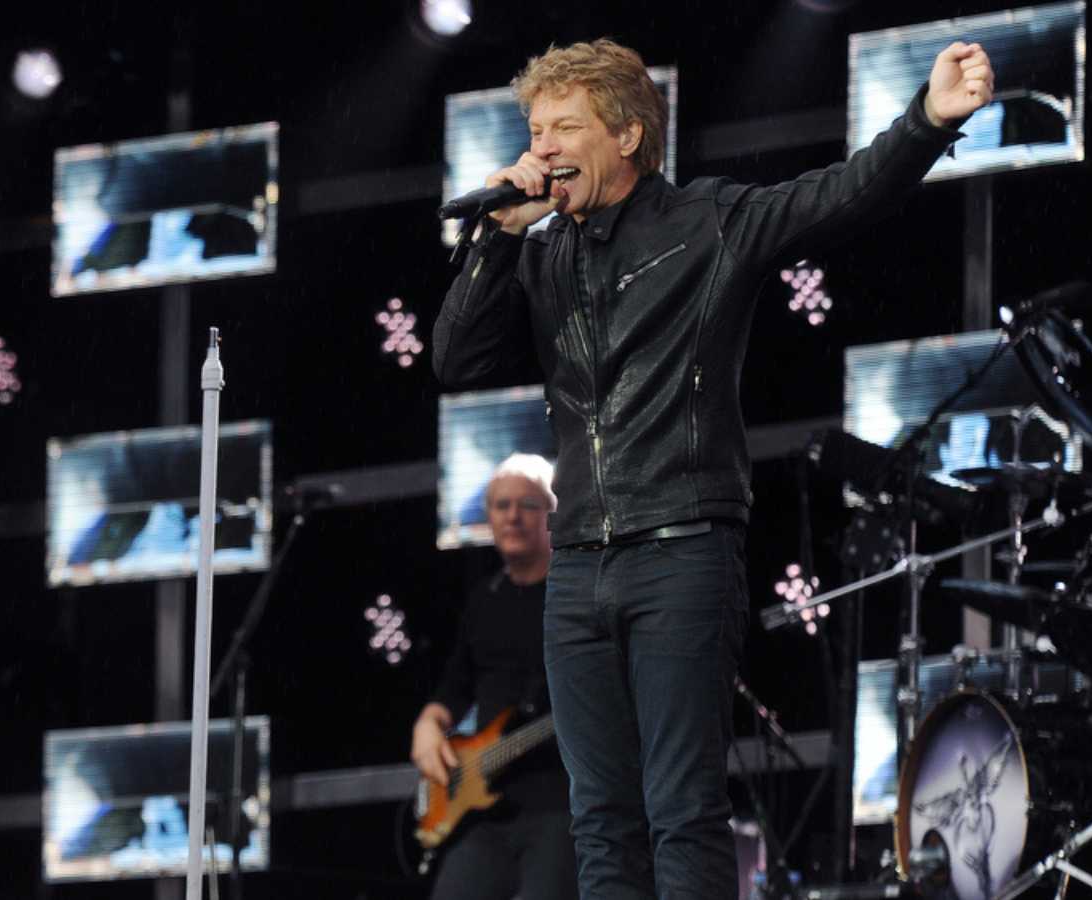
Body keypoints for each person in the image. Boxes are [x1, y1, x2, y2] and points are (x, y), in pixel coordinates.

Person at [432, 37, 994, 898]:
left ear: (625, 135)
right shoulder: (540, 252)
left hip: (682, 554)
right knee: (599, 823)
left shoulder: (708, 222)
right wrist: (498, 239)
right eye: (534, 129)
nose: (540, 148)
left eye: (563, 128)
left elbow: (840, 196)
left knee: (681, 810)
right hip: (577, 567)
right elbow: (456, 360)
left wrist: (927, 120)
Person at [411, 454, 574, 900]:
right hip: (484, 805)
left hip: (560, 801)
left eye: (527, 504)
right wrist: (429, 725)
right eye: (501, 506)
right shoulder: (484, 599)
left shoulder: (576, 589)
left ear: (552, 513)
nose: (513, 516)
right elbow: (456, 683)